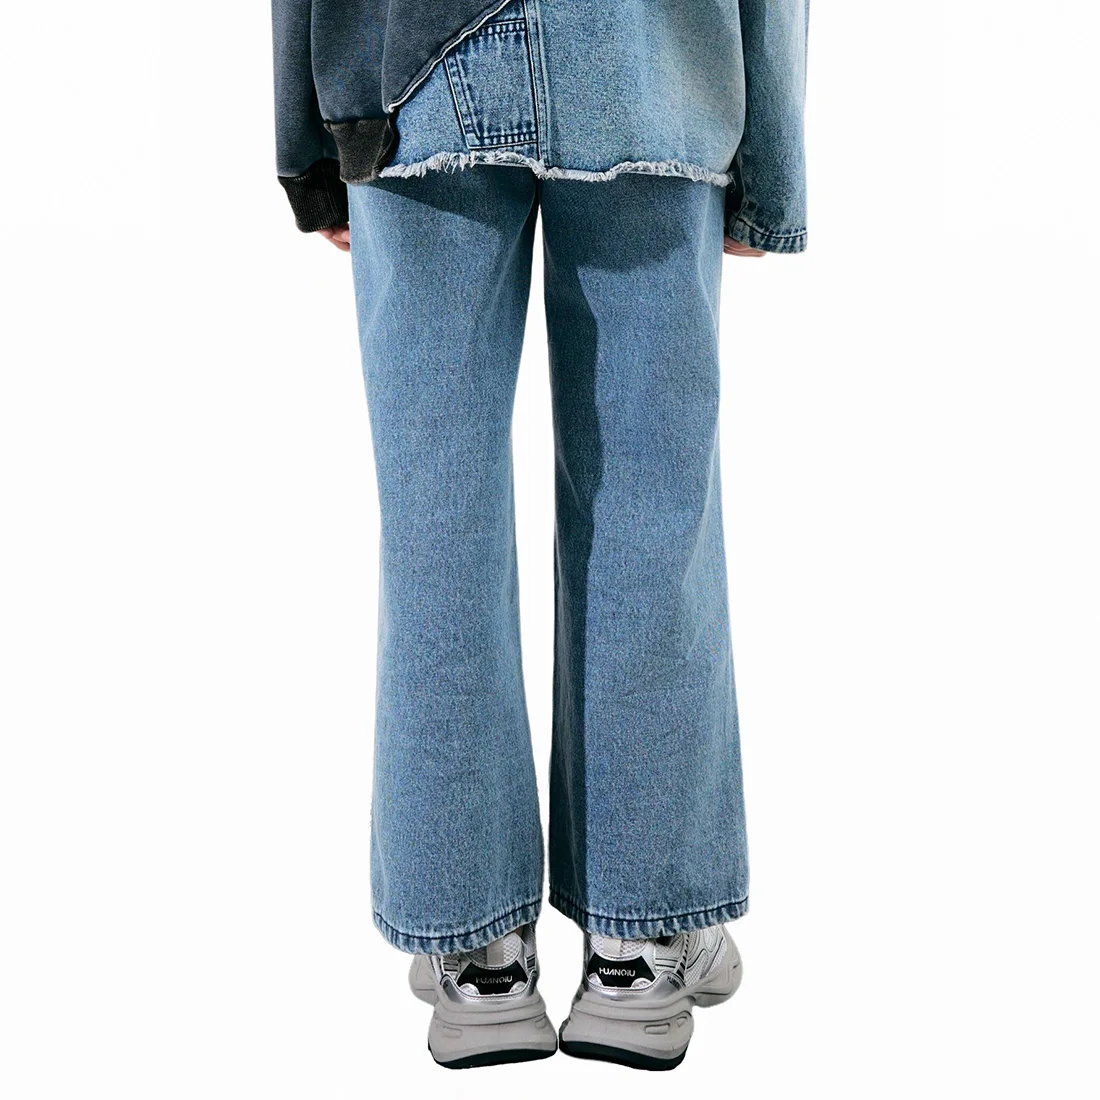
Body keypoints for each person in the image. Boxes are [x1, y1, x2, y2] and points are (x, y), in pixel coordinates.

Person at [272, 0, 808, 1071]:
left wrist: (308, 148)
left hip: (409, 82)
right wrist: (774, 171)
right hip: (652, 74)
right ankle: (637, 947)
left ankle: (477, 955)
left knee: (436, 519)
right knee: (651, 509)